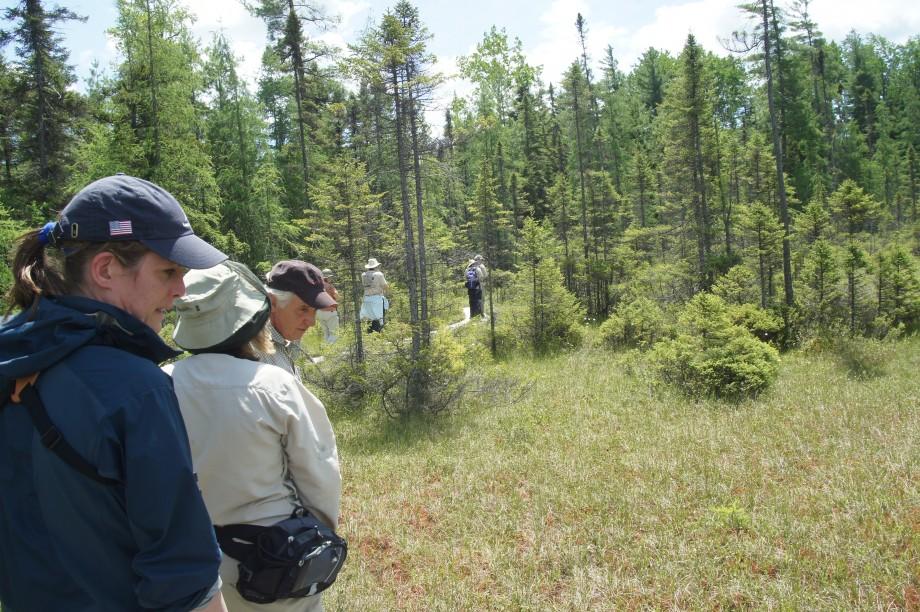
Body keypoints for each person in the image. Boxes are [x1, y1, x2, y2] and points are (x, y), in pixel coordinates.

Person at [0, 174, 228, 611]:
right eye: (168, 271)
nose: (180, 290)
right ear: (105, 269)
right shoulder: (136, 390)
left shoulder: (14, 359)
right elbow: (183, 571)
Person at [166, 261, 342, 612]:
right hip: (276, 555)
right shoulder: (273, 384)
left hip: (195, 559)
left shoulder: (162, 383)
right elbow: (319, 474)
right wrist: (320, 536)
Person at [256, 260, 337, 376]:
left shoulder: (287, 339)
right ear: (273, 303)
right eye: (303, 309)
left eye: (314, 310)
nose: (312, 322)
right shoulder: (253, 354)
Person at [360, 257, 389, 333]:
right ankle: (377, 334)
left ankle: (369, 334)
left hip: (366, 298)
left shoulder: (363, 275)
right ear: (376, 266)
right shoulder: (379, 274)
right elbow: (385, 286)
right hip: (377, 298)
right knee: (378, 318)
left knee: (369, 317)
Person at [315, 268, 340, 343]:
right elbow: (336, 296)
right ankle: (331, 349)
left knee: (325, 332)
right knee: (334, 332)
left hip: (319, 312)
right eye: (330, 277)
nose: (331, 279)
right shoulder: (330, 286)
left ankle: (325, 349)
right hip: (330, 311)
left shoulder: (317, 286)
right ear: (327, 278)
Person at [465, 254, 488, 319]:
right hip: (479, 286)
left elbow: (466, 277)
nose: (482, 261)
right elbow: (485, 276)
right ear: (478, 260)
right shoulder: (481, 267)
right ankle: (481, 313)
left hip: (470, 287)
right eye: (481, 259)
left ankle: (472, 315)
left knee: (472, 301)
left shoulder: (467, 269)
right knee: (481, 299)